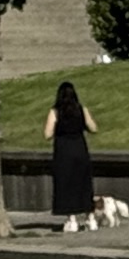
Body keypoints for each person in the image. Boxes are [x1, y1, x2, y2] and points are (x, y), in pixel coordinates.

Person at [49, 77, 97, 234]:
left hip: (64, 151)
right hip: (80, 149)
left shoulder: (55, 111)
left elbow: (47, 133)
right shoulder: (81, 109)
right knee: (84, 183)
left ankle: (72, 220)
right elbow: (93, 127)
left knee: (67, 185)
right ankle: (90, 218)